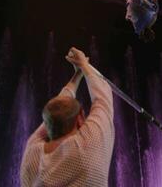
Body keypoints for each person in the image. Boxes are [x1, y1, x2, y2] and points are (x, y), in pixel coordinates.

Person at [20, 47, 114, 186]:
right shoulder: (89, 145)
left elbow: (56, 112)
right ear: (80, 117)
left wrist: (77, 75)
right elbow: (102, 99)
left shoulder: (31, 155)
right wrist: (84, 65)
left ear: (47, 124)